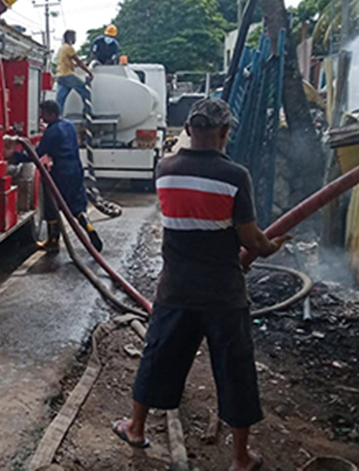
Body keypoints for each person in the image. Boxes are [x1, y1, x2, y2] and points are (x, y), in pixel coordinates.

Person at [111, 98, 290, 471]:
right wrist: (271, 247)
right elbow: (251, 241)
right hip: (224, 293)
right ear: (225, 133)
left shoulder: (165, 169)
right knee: (236, 371)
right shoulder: (235, 176)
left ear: (189, 131)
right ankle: (241, 459)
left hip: (176, 289)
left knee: (157, 357)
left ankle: (135, 427)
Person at [5, 100, 103, 253]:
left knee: (52, 204)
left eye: (44, 114)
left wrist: (15, 157)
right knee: (76, 204)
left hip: (61, 171)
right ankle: (89, 227)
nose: (42, 118)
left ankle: (53, 241)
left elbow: (37, 154)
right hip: (76, 169)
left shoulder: (52, 132)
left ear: (51, 113)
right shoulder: (68, 125)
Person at [54, 30, 94, 114]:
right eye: (74, 37)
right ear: (70, 38)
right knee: (85, 91)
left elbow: (69, 63)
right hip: (67, 75)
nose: (75, 39)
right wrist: (89, 72)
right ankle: (87, 113)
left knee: (60, 99)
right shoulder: (69, 48)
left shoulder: (62, 48)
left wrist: (82, 64)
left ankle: (58, 116)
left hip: (60, 76)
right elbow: (78, 61)